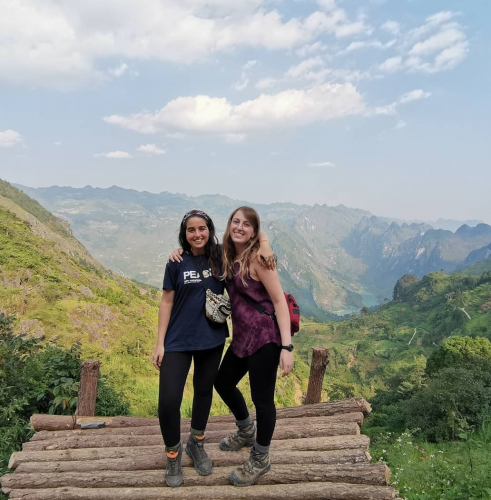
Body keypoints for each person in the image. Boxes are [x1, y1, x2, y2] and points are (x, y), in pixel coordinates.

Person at [154, 209, 275, 487]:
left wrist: (266, 244)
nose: (197, 234)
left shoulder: (222, 255)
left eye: (202, 228)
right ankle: (173, 454)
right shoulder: (176, 261)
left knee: (203, 391)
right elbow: (166, 302)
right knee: (169, 400)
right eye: (191, 230)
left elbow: (253, 232)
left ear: (210, 230)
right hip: (177, 340)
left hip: (212, 339)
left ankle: (196, 443)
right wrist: (159, 343)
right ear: (184, 234)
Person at [214, 206, 294, 487]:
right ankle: (247, 430)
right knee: (222, 382)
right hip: (241, 338)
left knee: (263, 400)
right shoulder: (227, 254)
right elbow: (196, 246)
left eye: (246, 224)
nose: (239, 227)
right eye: (235, 222)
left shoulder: (259, 259)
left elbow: (279, 302)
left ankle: (261, 457)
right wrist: (177, 253)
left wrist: (287, 347)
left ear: (253, 231)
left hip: (265, 339)